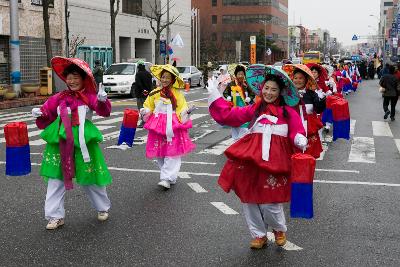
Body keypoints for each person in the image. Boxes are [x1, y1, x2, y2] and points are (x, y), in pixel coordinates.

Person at [207, 69, 307, 249]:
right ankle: (258, 235)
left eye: (273, 90)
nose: (269, 93)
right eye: (266, 88)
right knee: (250, 199)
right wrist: (216, 95)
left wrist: (299, 138)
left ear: (280, 92)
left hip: (276, 160)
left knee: (271, 201)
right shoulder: (255, 108)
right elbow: (232, 115)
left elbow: (296, 129)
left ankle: (278, 229)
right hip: (252, 158)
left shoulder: (287, 112)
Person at [31, 57, 112, 230]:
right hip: (59, 143)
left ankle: (102, 207)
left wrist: (103, 101)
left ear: (83, 78)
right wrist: (40, 113)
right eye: (69, 77)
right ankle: (55, 216)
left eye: (76, 77)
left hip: (83, 143)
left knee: (90, 178)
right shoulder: (58, 97)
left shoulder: (90, 96)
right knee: (55, 179)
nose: (72, 81)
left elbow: (104, 112)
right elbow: (47, 114)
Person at [140, 64, 196, 189]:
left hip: (173, 125)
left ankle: (166, 177)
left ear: (173, 80)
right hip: (157, 125)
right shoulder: (154, 92)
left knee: (173, 152)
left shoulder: (177, 94)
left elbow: (182, 109)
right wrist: (144, 110)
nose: (164, 80)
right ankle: (170, 176)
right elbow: (148, 106)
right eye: (163, 77)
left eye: (167, 78)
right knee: (159, 152)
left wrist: (187, 112)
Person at [283, 64, 326, 159]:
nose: (297, 80)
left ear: (305, 80)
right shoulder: (287, 94)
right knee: (291, 158)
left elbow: (319, 109)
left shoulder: (311, 94)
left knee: (307, 159)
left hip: (308, 130)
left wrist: (323, 99)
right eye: (295, 78)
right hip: (291, 130)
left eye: (300, 78)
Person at [223, 64, 255, 140]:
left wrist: (249, 98)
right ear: (236, 75)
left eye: (242, 74)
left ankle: (242, 141)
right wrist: (228, 97)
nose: (240, 76)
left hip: (245, 109)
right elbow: (225, 92)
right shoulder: (231, 84)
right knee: (235, 125)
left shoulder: (247, 84)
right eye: (239, 74)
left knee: (244, 126)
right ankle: (235, 141)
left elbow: (252, 93)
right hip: (234, 108)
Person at [135, 60, 153, 127]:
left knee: (141, 108)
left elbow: (138, 84)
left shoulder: (138, 74)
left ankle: (143, 122)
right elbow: (151, 84)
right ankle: (149, 121)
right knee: (147, 108)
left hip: (140, 94)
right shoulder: (148, 74)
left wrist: (143, 90)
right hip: (148, 94)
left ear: (138, 66)